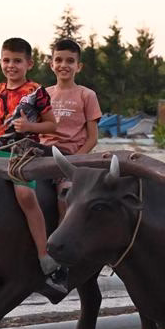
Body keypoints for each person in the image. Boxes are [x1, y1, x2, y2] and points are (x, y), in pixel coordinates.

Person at [0, 37, 66, 294]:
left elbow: (52, 125)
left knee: (25, 195)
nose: (11, 66)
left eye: (17, 61)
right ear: (0, 61)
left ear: (29, 63)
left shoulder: (36, 91)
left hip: (24, 149)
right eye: (6, 60)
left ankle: (43, 254)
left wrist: (29, 126)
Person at [40, 38, 103, 220]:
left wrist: (73, 162)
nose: (63, 65)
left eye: (70, 61)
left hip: (69, 156)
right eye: (58, 60)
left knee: (65, 197)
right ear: (51, 65)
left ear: (78, 66)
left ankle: (63, 230)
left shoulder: (87, 95)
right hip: (42, 153)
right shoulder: (43, 94)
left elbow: (92, 139)